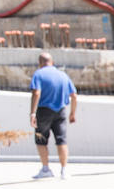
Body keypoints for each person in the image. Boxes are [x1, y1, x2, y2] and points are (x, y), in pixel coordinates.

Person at [28, 52, 77, 180]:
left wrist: (32, 113)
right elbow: (74, 95)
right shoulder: (63, 75)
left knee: (41, 140)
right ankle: (64, 170)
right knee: (61, 140)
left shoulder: (38, 74)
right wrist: (73, 112)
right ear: (52, 62)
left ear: (40, 63)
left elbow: (36, 93)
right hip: (60, 110)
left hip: (43, 111)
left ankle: (45, 169)